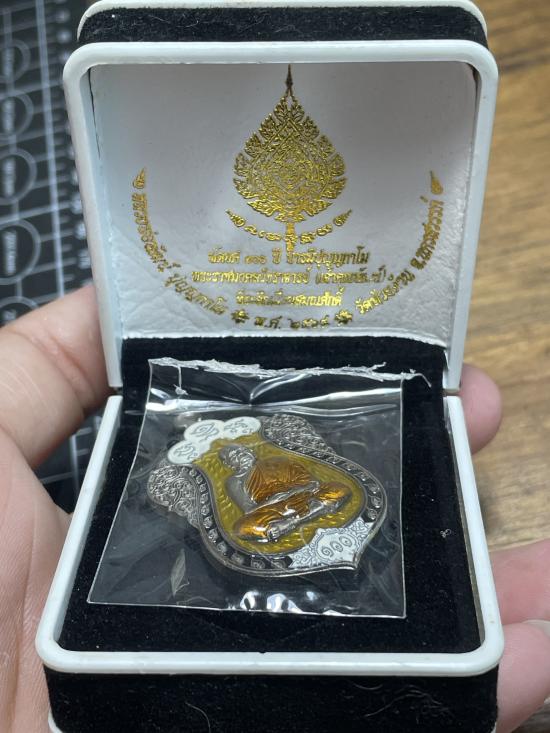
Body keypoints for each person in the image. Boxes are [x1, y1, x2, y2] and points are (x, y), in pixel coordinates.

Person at [0, 285, 548, 732]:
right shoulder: (228, 474)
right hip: (274, 518)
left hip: (307, 499)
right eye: (236, 456)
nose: (241, 458)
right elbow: (246, 509)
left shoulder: (277, 452)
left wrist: (294, 492)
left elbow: (311, 481)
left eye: (242, 453)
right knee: (260, 520)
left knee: (324, 495)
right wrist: (266, 500)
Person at [219, 443, 351, 541]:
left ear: (252, 452)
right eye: (234, 455)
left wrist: (291, 492)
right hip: (273, 510)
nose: (241, 454)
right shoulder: (234, 481)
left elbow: (313, 483)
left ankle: (290, 523)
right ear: (229, 464)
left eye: (243, 450)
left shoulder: (278, 461)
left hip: (303, 497)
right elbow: (248, 510)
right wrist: (273, 500)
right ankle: (312, 512)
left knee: (338, 488)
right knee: (242, 528)